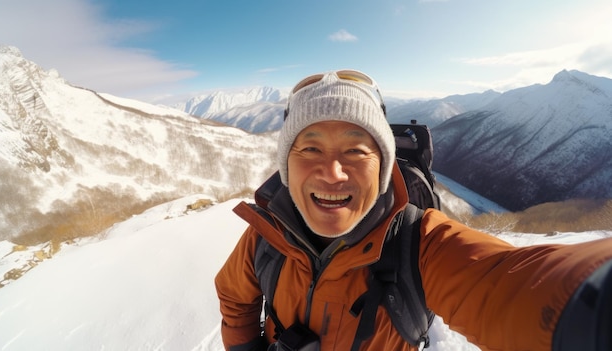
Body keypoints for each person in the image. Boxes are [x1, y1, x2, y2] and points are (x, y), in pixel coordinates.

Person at [215, 69, 612, 351]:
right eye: (310, 148)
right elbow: (234, 295)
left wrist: (591, 308)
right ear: (287, 165)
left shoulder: (419, 245)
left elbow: (516, 287)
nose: (332, 172)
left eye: (356, 149)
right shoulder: (265, 234)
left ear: (383, 164)